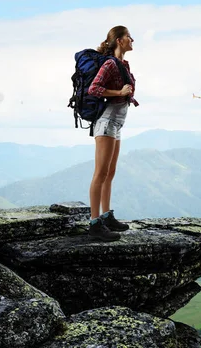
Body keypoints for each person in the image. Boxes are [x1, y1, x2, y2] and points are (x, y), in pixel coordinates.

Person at [86, 25, 138, 241]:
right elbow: (94, 88)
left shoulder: (123, 64)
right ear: (119, 40)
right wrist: (119, 92)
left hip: (116, 124)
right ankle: (94, 223)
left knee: (110, 172)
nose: (132, 39)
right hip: (106, 123)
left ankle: (106, 216)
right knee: (100, 173)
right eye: (128, 36)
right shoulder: (110, 64)